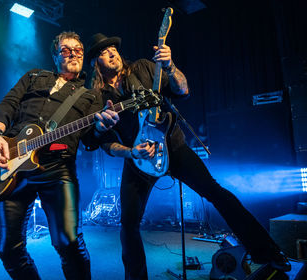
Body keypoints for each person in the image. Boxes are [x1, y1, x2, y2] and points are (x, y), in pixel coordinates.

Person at [85, 33, 291, 280]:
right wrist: (130, 152)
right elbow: (105, 144)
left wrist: (170, 66)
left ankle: (268, 252)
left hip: (173, 145)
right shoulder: (98, 98)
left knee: (217, 193)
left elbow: (182, 89)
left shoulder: (142, 67)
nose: (112, 52)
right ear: (96, 62)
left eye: (113, 48)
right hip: (138, 159)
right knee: (128, 224)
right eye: (104, 51)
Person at [0, 31, 119, 280]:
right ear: (55, 55)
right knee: (7, 249)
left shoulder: (92, 96)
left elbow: (90, 140)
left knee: (68, 243)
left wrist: (101, 127)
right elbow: (8, 104)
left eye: (78, 50)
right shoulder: (34, 76)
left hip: (58, 169)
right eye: (66, 50)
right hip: (13, 167)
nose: (74, 54)